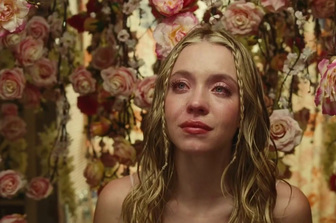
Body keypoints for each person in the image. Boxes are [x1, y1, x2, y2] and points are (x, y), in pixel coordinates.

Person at [94, 25, 312, 223]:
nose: (196, 103)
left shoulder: (285, 210)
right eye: (181, 85)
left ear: (244, 112)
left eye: (220, 89)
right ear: (162, 103)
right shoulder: (118, 204)